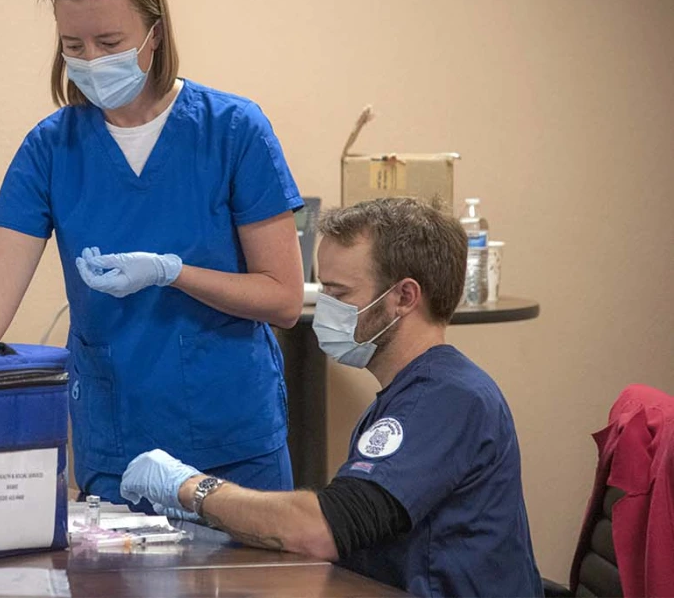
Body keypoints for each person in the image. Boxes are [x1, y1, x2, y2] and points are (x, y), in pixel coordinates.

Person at [0, 0, 305, 505]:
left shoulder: (233, 131)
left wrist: (172, 272)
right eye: (73, 45)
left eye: (109, 42)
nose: (90, 60)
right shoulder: (51, 149)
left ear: (154, 34)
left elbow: (283, 299)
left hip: (232, 445)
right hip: (117, 445)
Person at [120, 197, 543, 598]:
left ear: (403, 297)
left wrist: (190, 488)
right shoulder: (408, 393)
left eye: (339, 295)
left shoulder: (447, 399)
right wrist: (216, 515)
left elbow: (320, 529)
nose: (324, 308)